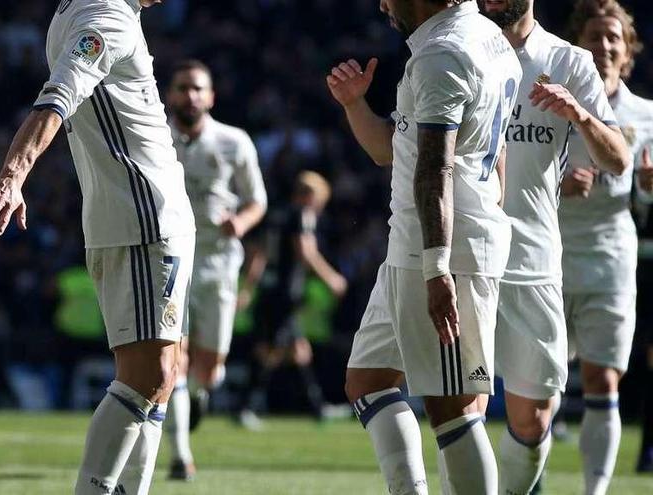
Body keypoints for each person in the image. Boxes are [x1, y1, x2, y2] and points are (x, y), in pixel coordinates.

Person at [0, 0, 195, 493]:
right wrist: (14, 173)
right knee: (146, 377)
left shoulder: (80, 12)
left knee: (162, 376)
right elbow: (58, 96)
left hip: (149, 215)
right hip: (143, 219)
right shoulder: (105, 18)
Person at [331, 0, 522, 492]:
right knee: (367, 381)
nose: (382, 4)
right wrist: (356, 104)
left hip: (438, 252)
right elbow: (392, 153)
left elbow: (436, 169)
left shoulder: (443, 53)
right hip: (413, 248)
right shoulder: (488, 39)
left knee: (452, 408)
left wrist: (440, 269)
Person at [478, 0, 632, 493]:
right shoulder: (460, 49)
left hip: (535, 260)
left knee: (534, 419)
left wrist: (580, 115)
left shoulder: (568, 61)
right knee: (463, 407)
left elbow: (618, 161)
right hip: (469, 254)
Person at [559, 0, 653, 490]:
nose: (604, 45)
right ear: (577, 46)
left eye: (613, 36)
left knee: (604, 380)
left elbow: (644, 201)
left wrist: (649, 189)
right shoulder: (548, 104)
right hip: (547, 255)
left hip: (612, 257)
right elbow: (514, 174)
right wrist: (559, 186)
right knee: (542, 385)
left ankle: (594, 490)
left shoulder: (647, 115)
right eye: (594, 36)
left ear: (628, 50)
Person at [164, 59, 267, 480]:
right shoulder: (155, 138)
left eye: (198, 88)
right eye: (183, 87)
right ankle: (181, 456)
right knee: (176, 360)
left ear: (211, 97)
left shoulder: (234, 141)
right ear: (170, 94)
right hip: (170, 258)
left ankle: (201, 396)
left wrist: (239, 223)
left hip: (219, 261)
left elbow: (256, 200)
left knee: (210, 369)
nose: (190, 95)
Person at [236, 170, 346, 427]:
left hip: (269, 289)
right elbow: (305, 252)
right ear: (308, 196)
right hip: (286, 292)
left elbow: (258, 254)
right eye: (319, 201)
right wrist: (331, 278)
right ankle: (245, 406)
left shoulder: (275, 213)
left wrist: (250, 288)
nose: (318, 208)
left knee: (296, 350)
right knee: (269, 351)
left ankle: (317, 408)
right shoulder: (301, 214)